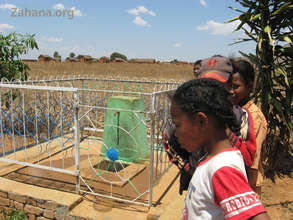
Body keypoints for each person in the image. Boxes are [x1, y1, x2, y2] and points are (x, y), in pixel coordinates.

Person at [170, 78, 270, 219]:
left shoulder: (222, 169)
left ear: (201, 121)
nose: (175, 133)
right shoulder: (212, 160)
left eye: (177, 124)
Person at [164, 56, 257, 195]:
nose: (211, 89)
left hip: (226, 189)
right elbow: (170, 142)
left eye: (218, 84)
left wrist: (225, 129)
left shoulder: (241, 117)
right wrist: (192, 172)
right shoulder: (190, 116)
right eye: (205, 83)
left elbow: (249, 158)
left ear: (229, 85)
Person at [228, 59, 268, 197]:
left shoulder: (254, 116)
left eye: (236, 86)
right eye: (228, 86)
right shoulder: (232, 110)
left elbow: (253, 162)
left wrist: (247, 195)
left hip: (244, 186)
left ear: (250, 86)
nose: (230, 91)